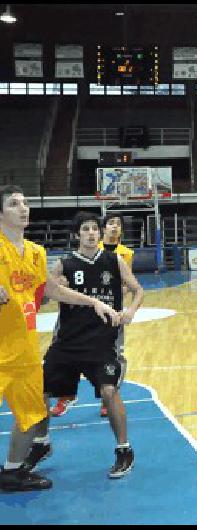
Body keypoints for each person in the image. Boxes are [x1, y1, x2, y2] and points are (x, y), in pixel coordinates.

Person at [0, 186, 120, 492]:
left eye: (25, 202)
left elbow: (50, 291)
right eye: (14, 204)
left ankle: (12, 473)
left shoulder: (37, 253)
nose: (24, 208)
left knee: (31, 415)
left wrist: (93, 302)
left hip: (23, 350)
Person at [23, 212, 144, 479]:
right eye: (85, 229)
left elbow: (138, 289)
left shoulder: (115, 261)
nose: (91, 233)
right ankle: (41, 442)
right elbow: (43, 298)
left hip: (102, 341)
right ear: (76, 235)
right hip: (67, 341)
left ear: (100, 234)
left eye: (94, 229)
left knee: (109, 390)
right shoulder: (63, 264)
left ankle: (124, 449)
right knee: (40, 391)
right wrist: (50, 290)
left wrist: (131, 311)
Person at [50, 213, 136, 418]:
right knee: (63, 356)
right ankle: (65, 395)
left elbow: (130, 285)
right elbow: (47, 292)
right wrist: (58, 286)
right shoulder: (67, 262)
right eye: (110, 224)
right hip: (74, 319)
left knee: (113, 357)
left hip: (107, 318)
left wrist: (126, 306)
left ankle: (109, 397)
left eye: (118, 224)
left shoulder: (123, 255)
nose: (113, 227)